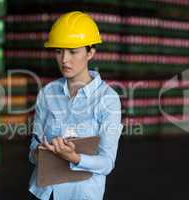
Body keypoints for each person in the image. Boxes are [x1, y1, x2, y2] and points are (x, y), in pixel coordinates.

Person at [28, 11, 123, 200]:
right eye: (58, 51)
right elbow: (33, 148)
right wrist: (41, 152)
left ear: (91, 52)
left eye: (73, 51)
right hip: (43, 193)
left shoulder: (107, 99)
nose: (64, 59)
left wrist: (74, 158)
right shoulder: (47, 93)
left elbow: (107, 163)